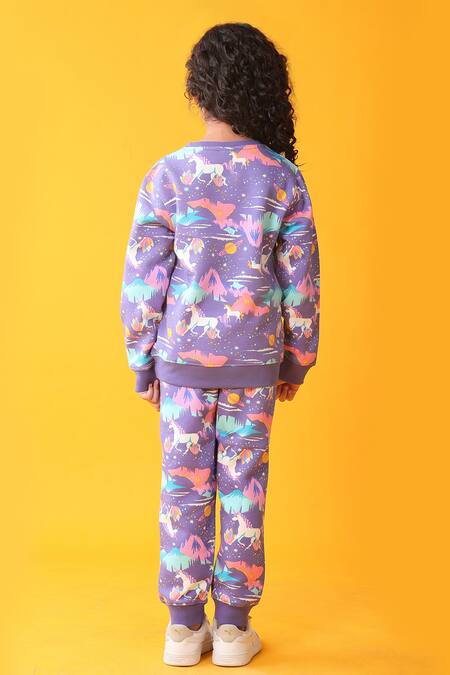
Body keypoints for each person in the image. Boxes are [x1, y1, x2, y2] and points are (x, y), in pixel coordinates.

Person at [120, 21, 320, 667]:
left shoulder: (167, 175)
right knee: (243, 489)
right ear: (264, 89)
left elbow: (144, 278)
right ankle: (233, 630)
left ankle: (183, 631)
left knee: (183, 488)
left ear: (197, 91)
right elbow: (302, 280)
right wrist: (297, 358)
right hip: (254, 364)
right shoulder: (282, 178)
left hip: (181, 363)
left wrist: (143, 359)